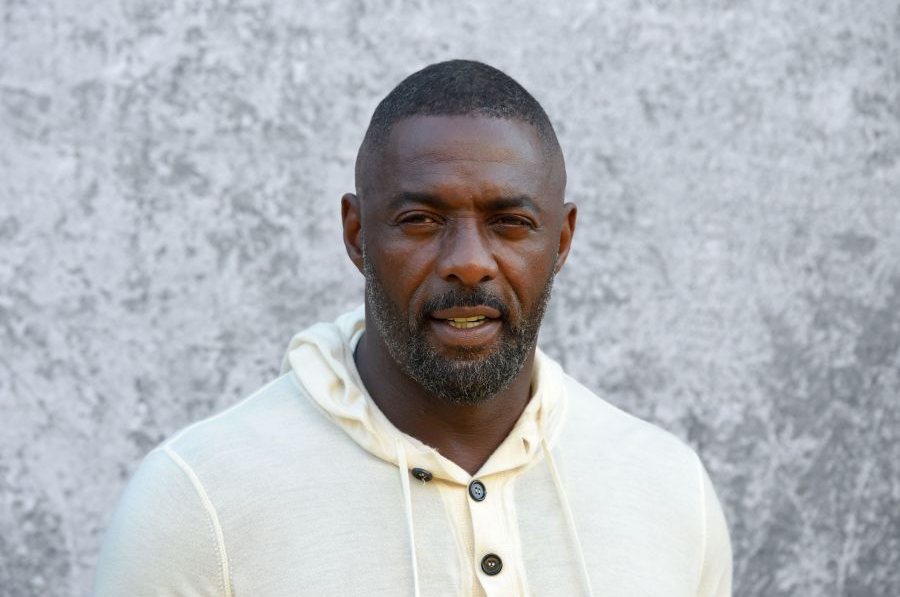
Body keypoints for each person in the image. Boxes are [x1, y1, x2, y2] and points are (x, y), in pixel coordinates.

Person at [93, 59, 732, 596]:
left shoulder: (670, 491)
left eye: (510, 221)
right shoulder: (196, 501)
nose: (468, 262)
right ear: (357, 234)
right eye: (422, 220)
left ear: (561, 241)